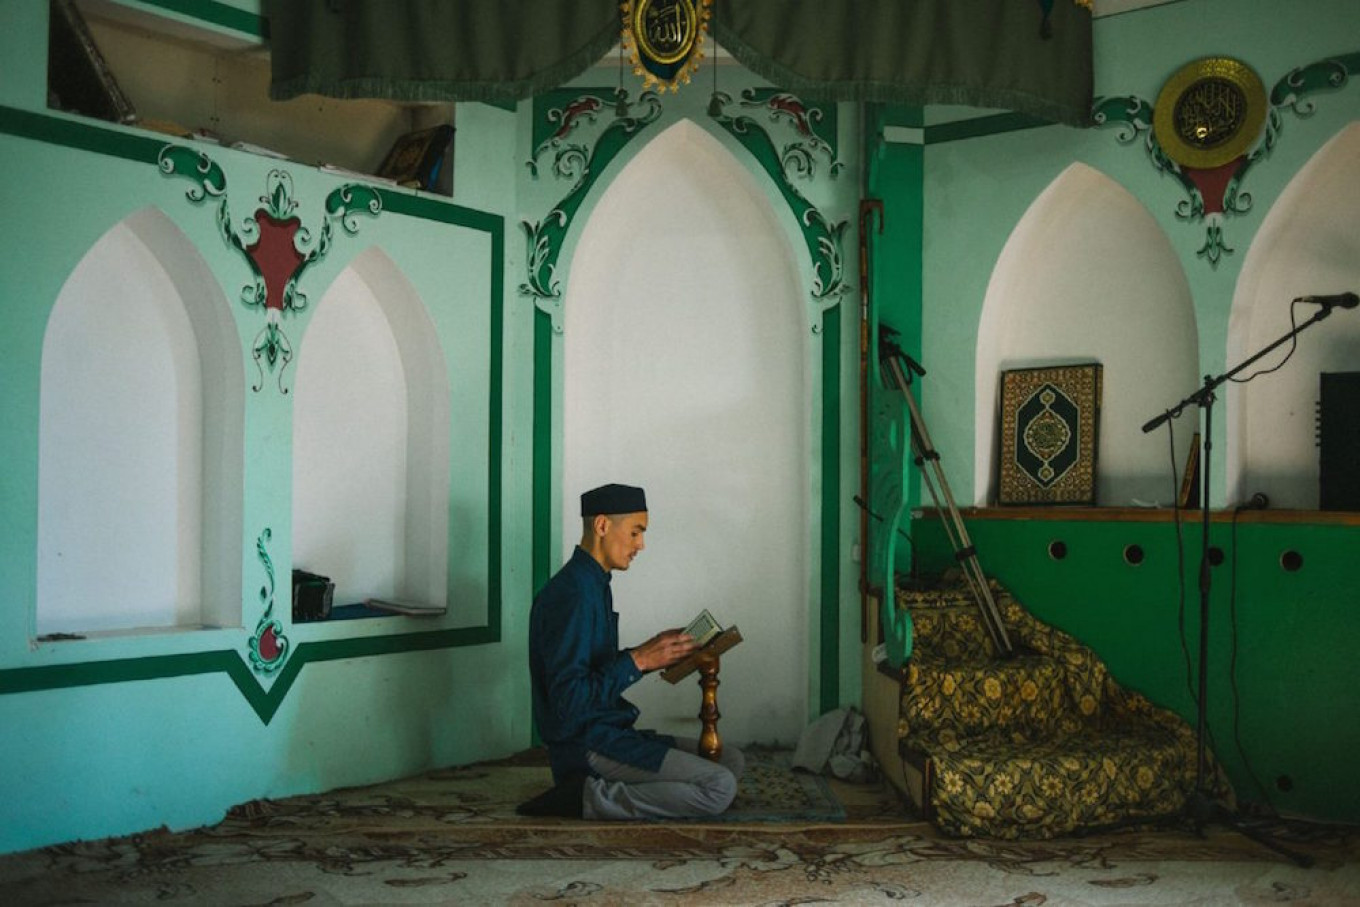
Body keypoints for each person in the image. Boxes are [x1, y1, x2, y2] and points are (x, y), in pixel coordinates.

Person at [519, 482, 745, 819]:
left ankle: (631, 791)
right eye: (636, 532)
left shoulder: (594, 584)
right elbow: (569, 702)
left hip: (611, 731)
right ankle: (585, 797)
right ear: (602, 525)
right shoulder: (571, 594)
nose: (641, 544)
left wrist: (655, 654)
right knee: (718, 787)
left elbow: (592, 669)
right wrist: (638, 660)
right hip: (587, 745)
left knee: (729, 760)